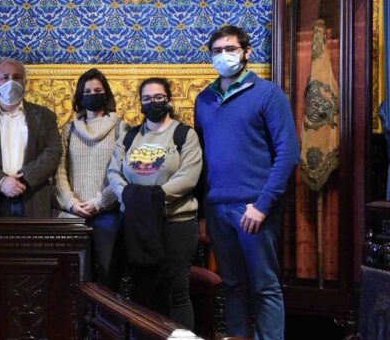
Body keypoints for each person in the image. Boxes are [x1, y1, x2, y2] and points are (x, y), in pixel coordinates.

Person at [195, 25, 298, 340]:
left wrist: (264, 205)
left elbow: (288, 154)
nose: (224, 56)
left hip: (253, 207)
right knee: (233, 286)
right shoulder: (204, 100)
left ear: (246, 52)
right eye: (217, 51)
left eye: (231, 49)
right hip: (216, 208)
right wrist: (202, 212)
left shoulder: (268, 93)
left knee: (265, 286)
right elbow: (198, 158)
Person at [107, 77, 202, 329]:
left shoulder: (184, 134)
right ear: (140, 102)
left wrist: (153, 198)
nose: (153, 102)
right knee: (142, 290)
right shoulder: (129, 137)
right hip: (137, 224)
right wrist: (128, 195)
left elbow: (189, 176)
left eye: (159, 97)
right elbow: (114, 172)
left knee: (176, 291)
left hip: (176, 223)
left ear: (168, 100)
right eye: (147, 98)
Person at [54, 68, 128, 286]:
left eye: (98, 90)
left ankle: (108, 321)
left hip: (108, 214)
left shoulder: (121, 128)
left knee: (109, 278)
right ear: (79, 96)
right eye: (87, 91)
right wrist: (71, 203)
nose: (93, 94)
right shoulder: (69, 129)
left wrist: (99, 203)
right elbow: (59, 171)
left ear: (106, 94)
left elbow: (123, 173)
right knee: (76, 278)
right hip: (74, 214)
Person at [0, 58, 62, 217]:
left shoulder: (45, 116)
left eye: (17, 77)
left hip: (32, 199)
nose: (11, 82)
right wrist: (1, 181)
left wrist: (23, 180)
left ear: (25, 83)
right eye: (5, 78)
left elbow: (53, 152)